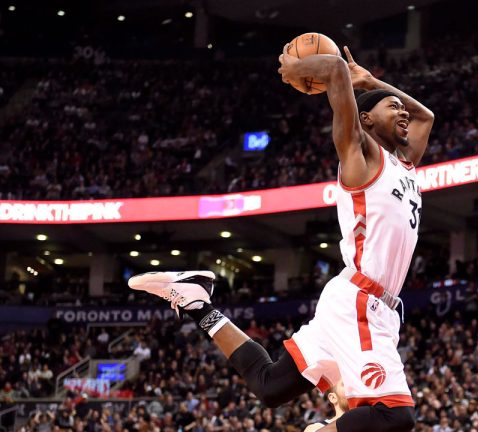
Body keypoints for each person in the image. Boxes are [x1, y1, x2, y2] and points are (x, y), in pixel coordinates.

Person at [128, 43, 434, 432]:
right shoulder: (361, 155)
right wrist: (301, 67)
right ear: (366, 121)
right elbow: (337, 71)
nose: (404, 111)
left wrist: (373, 82)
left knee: (270, 385)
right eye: (392, 107)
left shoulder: (403, 164)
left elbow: (426, 115)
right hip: (360, 301)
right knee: (395, 415)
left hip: (368, 304)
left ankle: (196, 302)